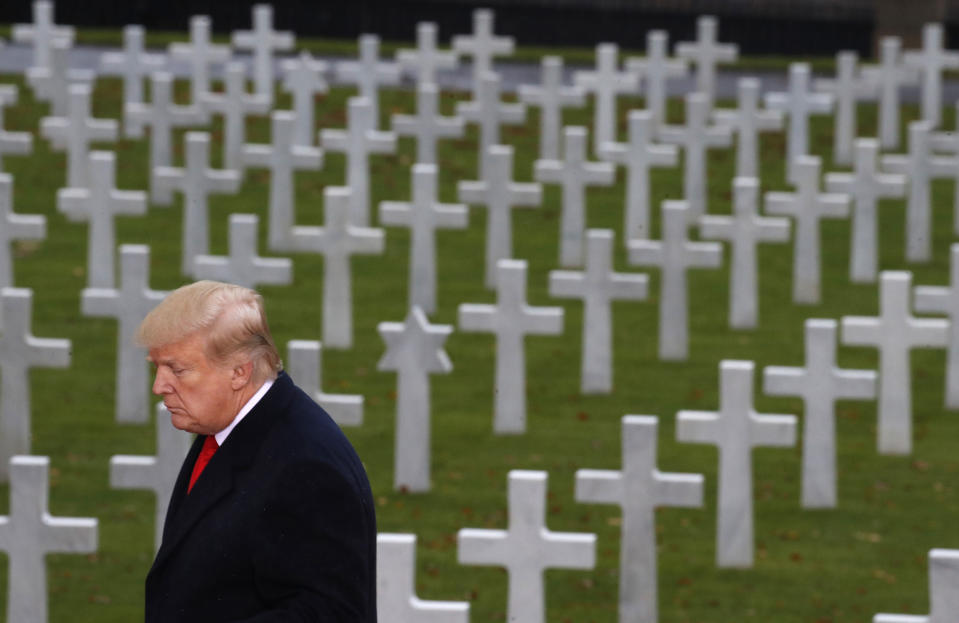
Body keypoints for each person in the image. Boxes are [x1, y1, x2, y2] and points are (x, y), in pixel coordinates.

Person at [137, 280, 376, 622]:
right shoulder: (227, 425)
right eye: (156, 366)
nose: (159, 386)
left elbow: (330, 613)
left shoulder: (307, 468)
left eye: (177, 369)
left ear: (239, 372)